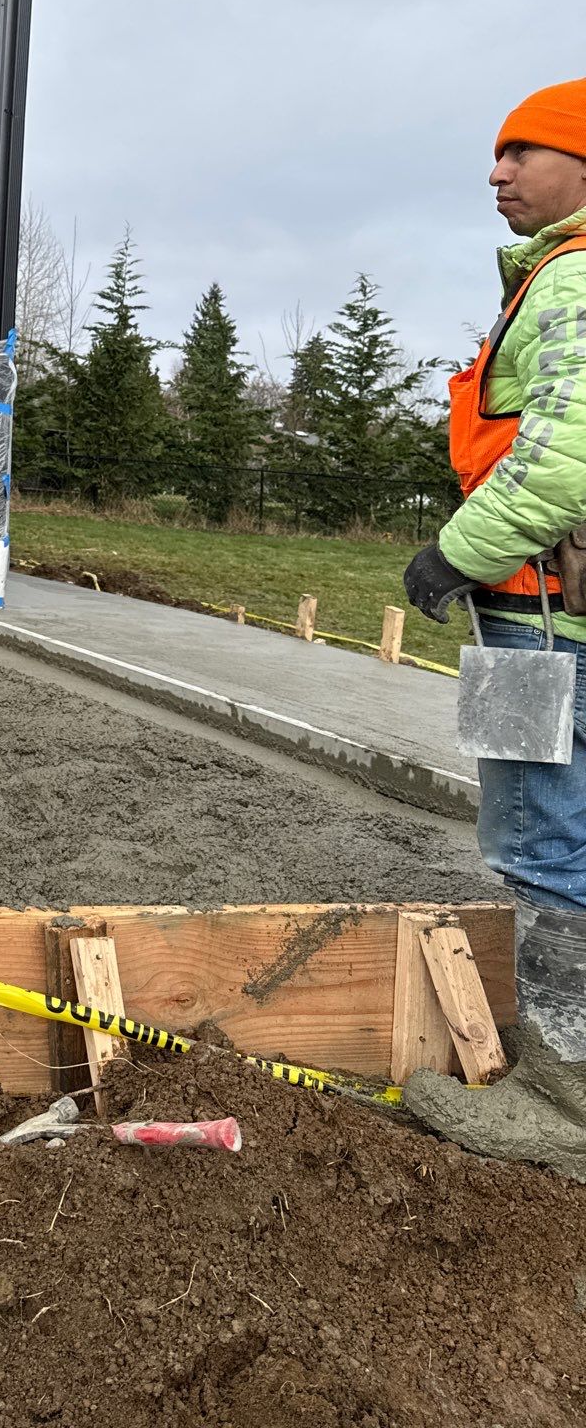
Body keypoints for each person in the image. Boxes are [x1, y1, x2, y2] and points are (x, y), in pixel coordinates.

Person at [403, 75, 586, 1178]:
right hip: (554, 607)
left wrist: (452, 555)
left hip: (538, 617)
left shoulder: (570, 286)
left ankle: (561, 1102)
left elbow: (564, 454)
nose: (496, 172)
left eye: (523, 152)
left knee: (539, 838)